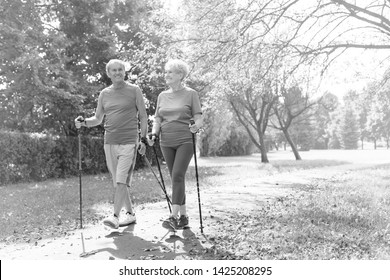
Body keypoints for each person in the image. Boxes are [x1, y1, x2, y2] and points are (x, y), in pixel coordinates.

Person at [75, 59, 148, 229]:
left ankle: (115, 216)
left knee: (122, 179)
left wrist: (143, 139)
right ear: (108, 73)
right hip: (110, 142)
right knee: (118, 180)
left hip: (129, 141)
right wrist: (83, 122)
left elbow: (143, 116)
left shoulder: (134, 90)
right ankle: (130, 214)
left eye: (120, 70)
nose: (117, 73)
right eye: (113, 70)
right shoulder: (104, 94)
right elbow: (98, 119)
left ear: (125, 72)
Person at [149, 59, 203, 230]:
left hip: (185, 140)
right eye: (166, 72)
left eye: (170, 72)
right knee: (176, 178)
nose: (167, 75)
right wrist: (153, 133)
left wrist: (196, 126)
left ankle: (173, 217)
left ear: (180, 75)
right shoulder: (162, 96)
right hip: (166, 141)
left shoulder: (191, 94)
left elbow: (199, 116)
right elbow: (158, 118)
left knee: (178, 175)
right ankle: (184, 216)